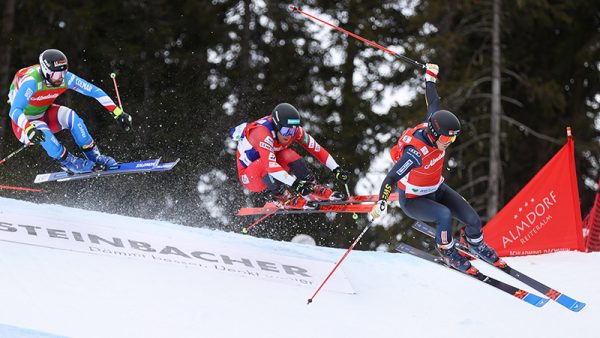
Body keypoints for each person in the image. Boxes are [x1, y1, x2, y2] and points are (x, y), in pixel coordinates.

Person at [369, 63, 501, 274]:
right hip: (414, 200)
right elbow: (391, 178)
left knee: (474, 221)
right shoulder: (415, 153)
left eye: (454, 137)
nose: (450, 141)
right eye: (448, 137)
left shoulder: (435, 122)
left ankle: (473, 244)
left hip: (436, 189)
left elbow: (433, 100)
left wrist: (430, 76)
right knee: (444, 215)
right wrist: (382, 201)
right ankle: (447, 252)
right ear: (434, 133)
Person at [7, 49, 132, 173]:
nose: (61, 78)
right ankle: (68, 162)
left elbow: (94, 91)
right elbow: (14, 111)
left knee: (72, 117)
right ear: (46, 71)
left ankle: (95, 157)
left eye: (64, 72)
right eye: (57, 74)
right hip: (23, 125)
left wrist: (117, 112)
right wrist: (29, 128)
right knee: (41, 129)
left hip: (44, 113)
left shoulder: (66, 78)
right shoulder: (31, 82)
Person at [231, 103, 350, 208]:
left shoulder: (294, 130)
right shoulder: (262, 133)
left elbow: (316, 149)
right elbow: (270, 166)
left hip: (270, 168)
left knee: (289, 154)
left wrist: (336, 169)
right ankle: (281, 196)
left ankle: (312, 187)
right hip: (251, 177)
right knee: (265, 162)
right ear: (277, 126)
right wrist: (295, 184)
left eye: (292, 131)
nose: (289, 135)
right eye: (285, 131)